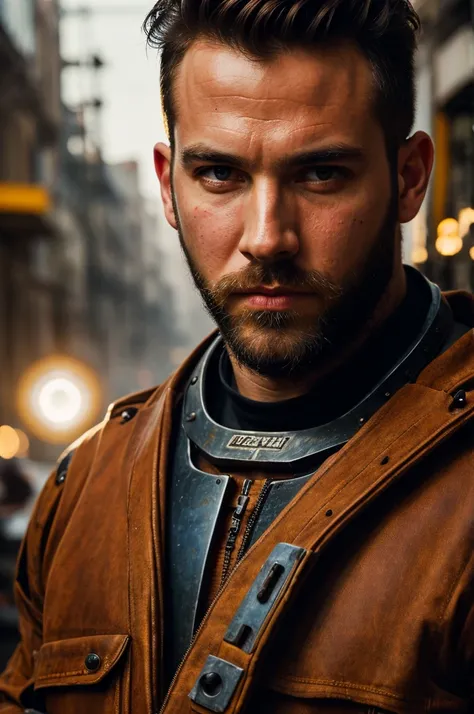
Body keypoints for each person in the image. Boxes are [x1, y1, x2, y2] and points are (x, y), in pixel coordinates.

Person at [1, 1, 474, 712]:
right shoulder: (84, 489)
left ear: (408, 178)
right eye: (219, 174)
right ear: (168, 185)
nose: (266, 237)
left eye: (321, 175)